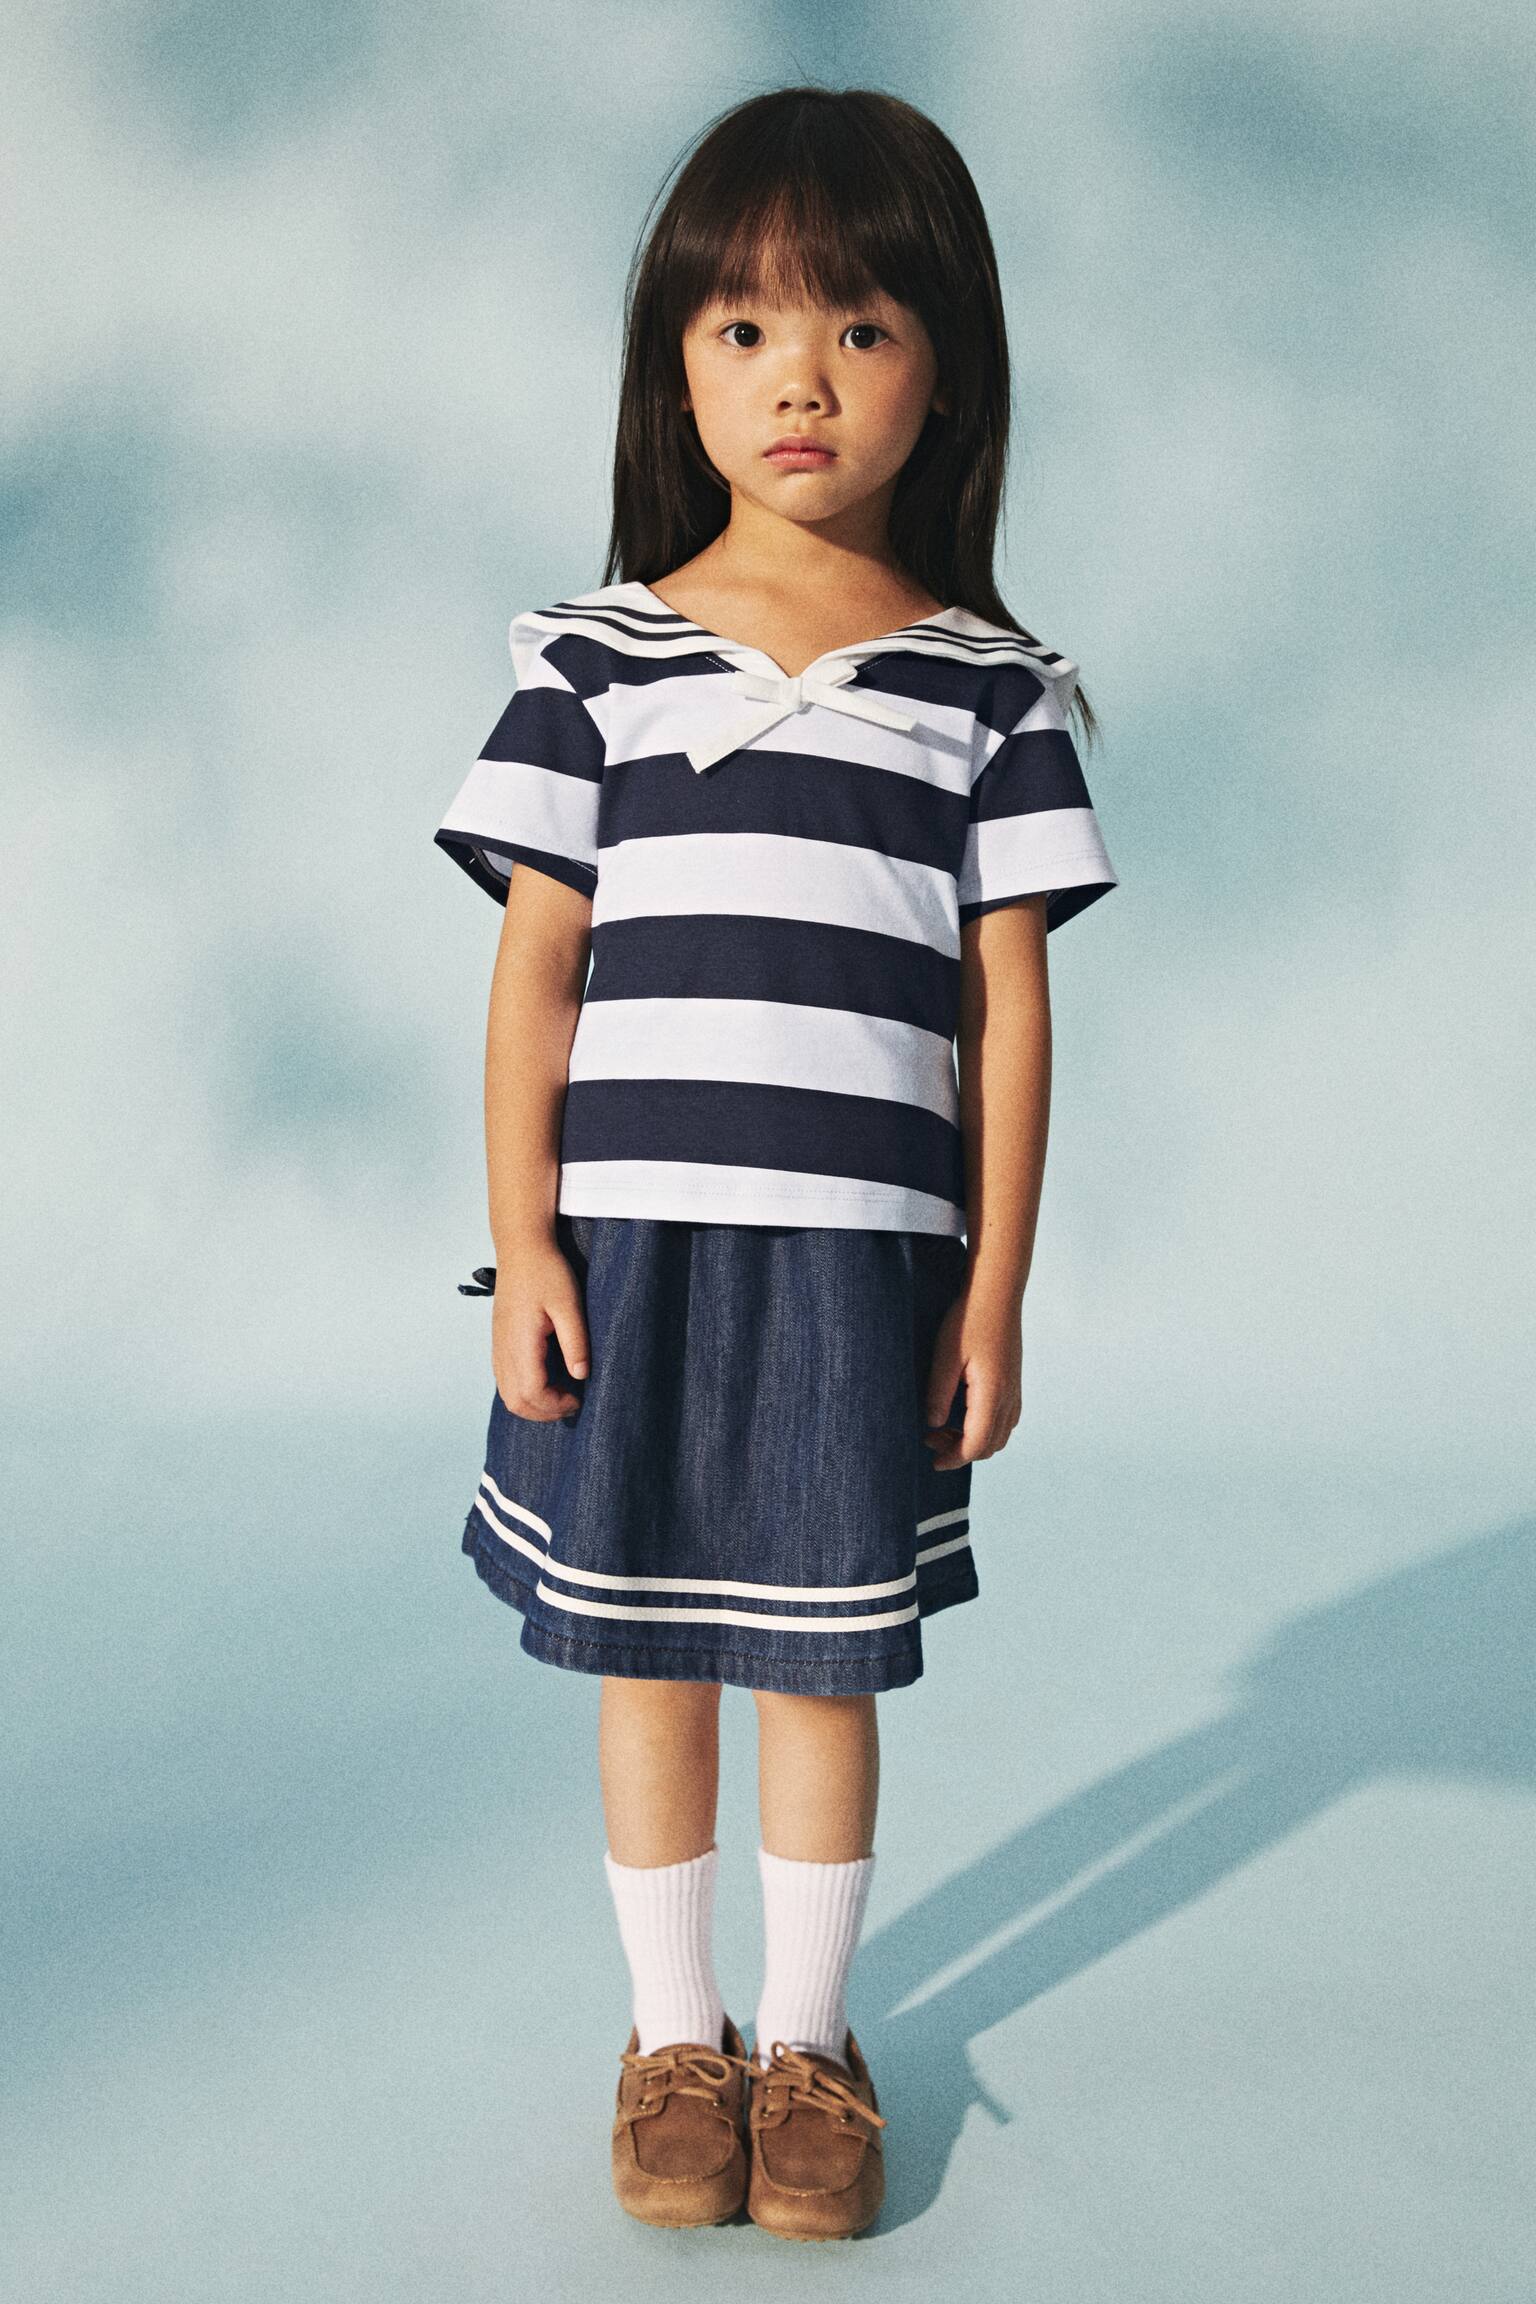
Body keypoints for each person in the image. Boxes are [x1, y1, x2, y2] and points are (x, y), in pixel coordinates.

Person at [433, 84, 1119, 2242]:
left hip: (859, 1268)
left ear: (951, 371)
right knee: (650, 1647)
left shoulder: (988, 698)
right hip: (633, 1251)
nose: (799, 379)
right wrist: (525, 1243)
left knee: (824, 1652)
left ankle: (809, 2044)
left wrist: (991, 1289)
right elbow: (537, 979)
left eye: (859, 328)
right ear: (676, 373)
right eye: (743, 330)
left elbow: (1008, 1014)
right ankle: (673, 2037)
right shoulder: (593, 664)